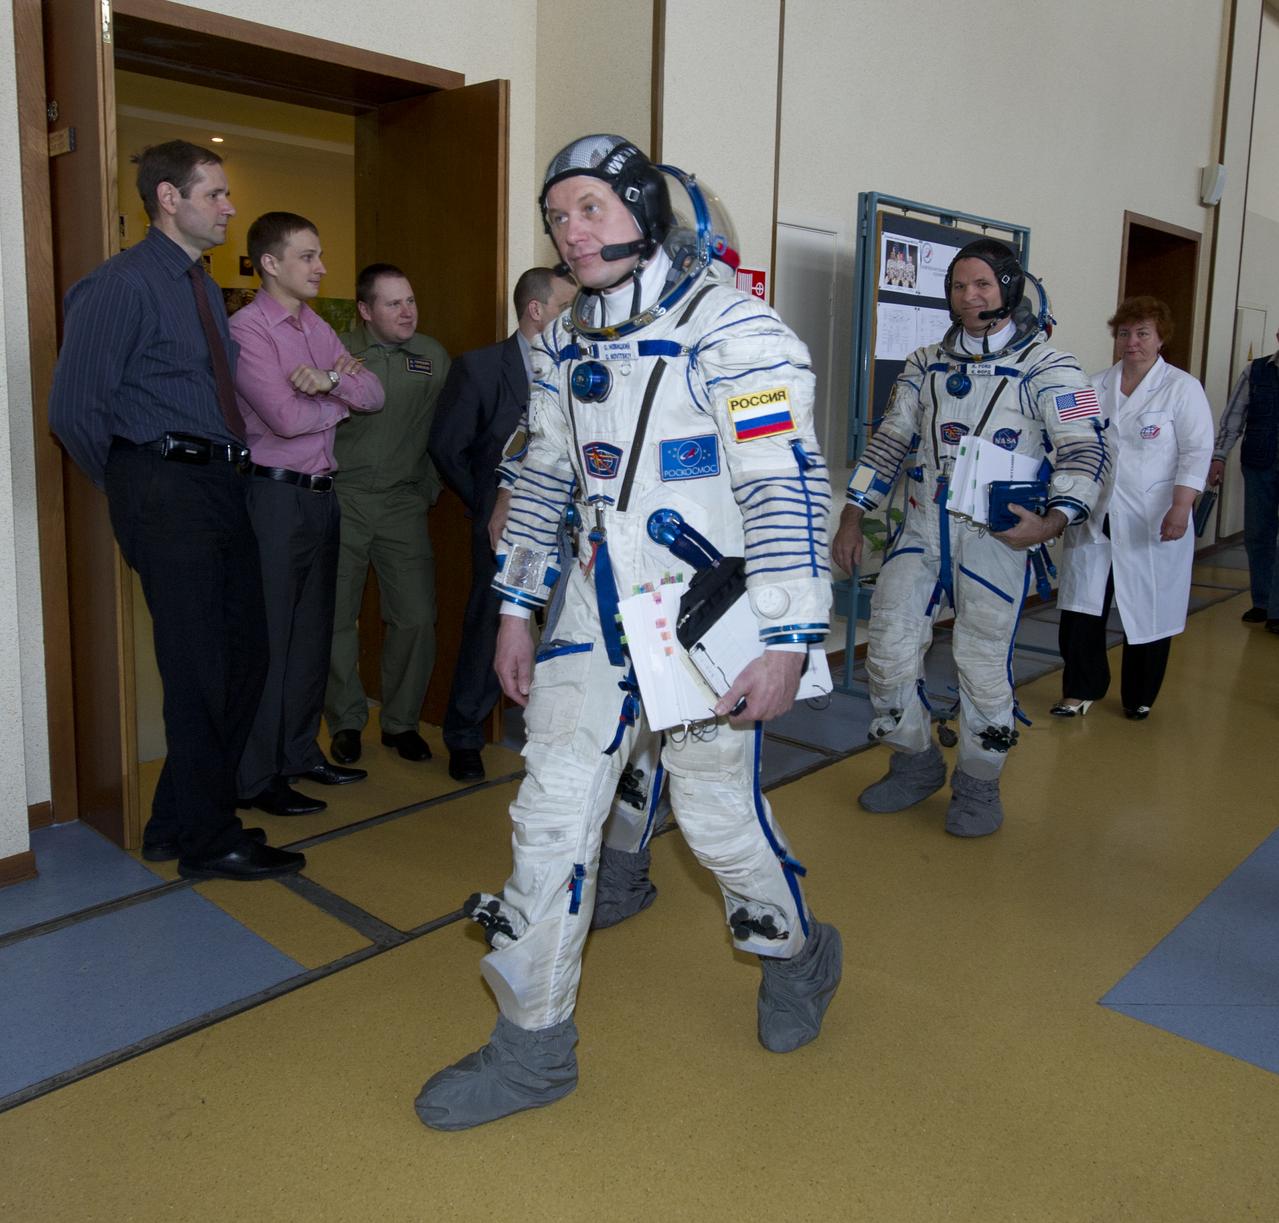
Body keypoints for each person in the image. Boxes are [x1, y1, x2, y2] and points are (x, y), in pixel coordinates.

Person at [415, 134, 842, 1132]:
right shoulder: (565, 342)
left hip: (701, 622)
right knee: (548, 823)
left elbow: (782, 491)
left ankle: (796, 949)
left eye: (591, 209)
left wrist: (786, 640)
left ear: (650, 214)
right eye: (557, 215)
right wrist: (517, 610)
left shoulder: (741, 333)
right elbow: (541, 481)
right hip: (589, 621)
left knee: (717, 824)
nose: (570, 230)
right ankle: (533, 1046)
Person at [47, 140, 303, 880]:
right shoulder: (119, 286)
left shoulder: (201, 286)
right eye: (215, 194)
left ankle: (175, 819)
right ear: (169, 198)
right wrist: (134, 478)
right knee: (200, 666)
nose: (229, 207)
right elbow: (74, 411)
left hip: (222, 486)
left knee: (243, 655)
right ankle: (209, 837)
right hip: (165, 485)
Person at [832, 238, 1111, 837]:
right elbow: (888, 442)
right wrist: (852, 515)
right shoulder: (925, 364)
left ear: (1008, 288)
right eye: (959, 286)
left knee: (981, 663)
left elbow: (1085, 451)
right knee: (886, 648)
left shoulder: (1050, 368)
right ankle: (915, 762)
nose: (969, 296)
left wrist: (1054, 521)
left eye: (982, 284)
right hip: (922, 528)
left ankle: (980, 784)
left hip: (997, 538)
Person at [232, 212, 384, 816]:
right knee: (272, 640)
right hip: (272, 496)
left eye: (319, 255)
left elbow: (373, 393)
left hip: (322, 496)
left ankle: (299, 754)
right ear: (271, 263)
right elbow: (285, 419)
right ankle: (258, 774)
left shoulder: (315, 326)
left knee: (313, 635)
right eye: (307, 256)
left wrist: (324, 381)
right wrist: (334, 398)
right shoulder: (249, 330)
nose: (321, 267)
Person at [427, 267, 574, 781]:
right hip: (506, 523)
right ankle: (465, 734)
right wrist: (491, 500)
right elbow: (447, 447)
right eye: (566, 307)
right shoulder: (482, 367)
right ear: (537, 309)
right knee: (492, 621)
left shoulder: (583, 370)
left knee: (568, 627)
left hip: (574, 524)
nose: (577, 318)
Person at [1053, 298, 1213, 719]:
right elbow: (1070, 442)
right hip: (1096, 515)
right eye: (1124, 333)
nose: (1132, 341)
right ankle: (1080, 689)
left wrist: (1181, 506)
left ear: (1161, 338)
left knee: (1149, 607)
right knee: (1081, 606)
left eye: (1143, 333)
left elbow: (1196, 452)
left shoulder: (1182, 388)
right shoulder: (1092, 384)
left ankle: (1140, 695)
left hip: (1153, 516)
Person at [325, 264, 450, 766]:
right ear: (364, 310)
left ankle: (400, 723)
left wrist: (428, 488)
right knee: (336, 618)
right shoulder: (334, 350)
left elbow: (446, 426)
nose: (407, 311)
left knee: (416, 617)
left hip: (402, 502)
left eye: (411, 300)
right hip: (343, 498)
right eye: (393, 303)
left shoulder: (433, 356)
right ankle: (347, 721)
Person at [1207, 328, 1279, 631]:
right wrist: (1219, 456)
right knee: (1258, 534)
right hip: (1260, 464)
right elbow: (1233, 417)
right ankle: (1262, 602)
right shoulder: (1256, 371)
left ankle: (1277, 611)